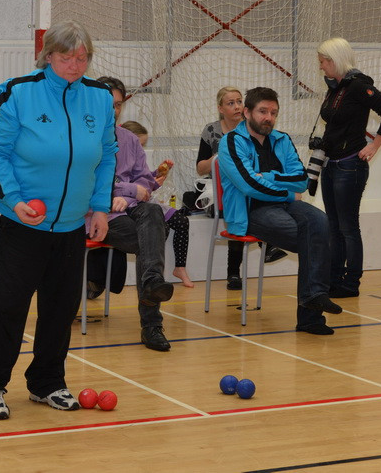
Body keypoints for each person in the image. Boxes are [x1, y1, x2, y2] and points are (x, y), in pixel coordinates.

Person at [0, 20, 117, 419]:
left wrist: (100, 207)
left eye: (82, 58)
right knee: (6, 306)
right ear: (48, 56)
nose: (75, 66)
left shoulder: (99, 97)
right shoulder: (19, 91)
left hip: (70, 226)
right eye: (67, 58)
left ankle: (47, 382)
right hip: (19, 223)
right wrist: (13, 199)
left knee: (60, 308)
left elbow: (107, 154)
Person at [218, 87, 343, 335]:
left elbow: (301, 180)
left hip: (284, 205)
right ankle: (311, 310)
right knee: (312, 237)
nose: (269, 118)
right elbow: (248, 185)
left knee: (320, 221)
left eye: (273, 113)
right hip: (250, 210)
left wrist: (267, 176)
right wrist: (285, 191)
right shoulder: (231, 142)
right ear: (247, 112)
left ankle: (312, 304)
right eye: (263, 111)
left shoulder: (282, 139)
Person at [84, 76, 179, 352]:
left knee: (152, 211)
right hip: (96, 216)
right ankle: (152, 323)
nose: (113, 110)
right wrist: (126, 191)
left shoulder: (129, 140)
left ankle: (152, 285)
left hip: (133, 210)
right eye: (108, 104)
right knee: (151, 242)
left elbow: (145, 184)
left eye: (118, 105)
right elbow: (86, 184)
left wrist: (132, 192)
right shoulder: (81, 138)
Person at [317, 37, 381, 298]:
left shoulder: (358, 86)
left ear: (335, 60)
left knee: (348, 227)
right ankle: (334, 279)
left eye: (323, 62)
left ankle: (351, 283)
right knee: (334, 225)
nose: (321, 67)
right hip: (331, 164)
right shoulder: (335, 88)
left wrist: (375, 145)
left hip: (350, 165)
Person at [196, 86, 287, 291]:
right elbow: (200, 168)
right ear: (220, 108)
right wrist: (222, 155)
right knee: (239, 201)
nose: (237, 106)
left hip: (247, 187)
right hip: (218, 190)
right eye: (231, 103)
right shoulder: (211, 131)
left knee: (250, 197)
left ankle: (237, 271)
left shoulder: (251, 129)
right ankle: (243, 265)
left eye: (239, 101)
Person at [120, 119, 193, 289]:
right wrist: (152, 184)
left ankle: (179, 267)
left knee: (182, 221)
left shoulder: (136, 157)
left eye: (142, 145)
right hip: (131, 205)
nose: (140, 148)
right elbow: (129, 187)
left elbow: (143, 180)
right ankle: (151, 274)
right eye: (139, 144)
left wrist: (157, 173)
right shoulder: (119, 156)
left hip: (143, 201)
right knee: (159, 229)